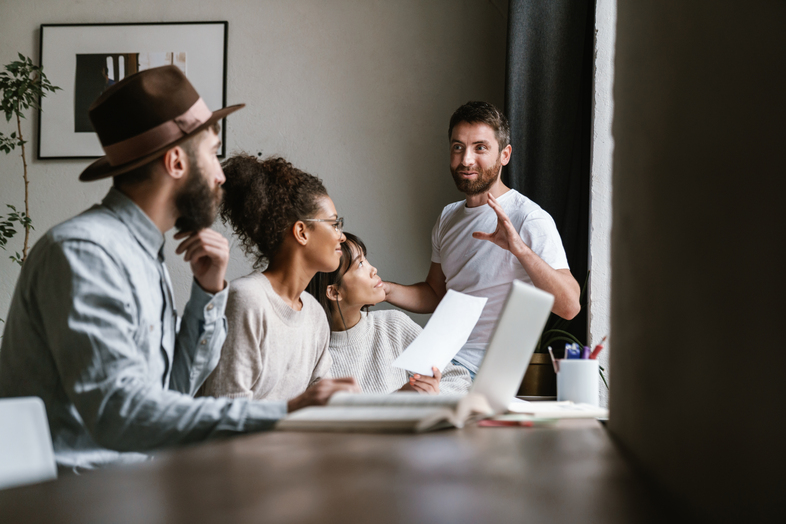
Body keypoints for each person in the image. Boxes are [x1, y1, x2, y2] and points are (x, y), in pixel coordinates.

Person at [0, 66, 355, 472]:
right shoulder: (87, 254)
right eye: (211, 153)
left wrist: (207, 295)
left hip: (131, 487)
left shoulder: (143, 257)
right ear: (175, 162)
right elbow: (119, 414)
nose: (221, 176)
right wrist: (283, 413)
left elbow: (174, 392)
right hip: (71, 500)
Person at [383, 101, 581, 379]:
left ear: (505, 155)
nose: (466, 160)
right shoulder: (448, 217)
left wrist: (519, 249)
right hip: (440, 359)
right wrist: (384, 290)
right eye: (457, 147)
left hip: (483, 373)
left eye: (480, 147)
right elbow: (436, 293)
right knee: (379, 332)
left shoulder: (528, 218)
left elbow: (570, 306)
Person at [198, 155, 356, 407]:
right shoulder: (247, 299)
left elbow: (321, 406)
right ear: (302, 232)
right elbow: (223, 412)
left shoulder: (315, 314)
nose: (342, 237)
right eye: (334, 224)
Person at [307, 233, 472, 395]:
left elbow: (460, 380)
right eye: (360, 265)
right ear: (334, 292)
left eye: (365, 259)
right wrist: (399, 400)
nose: (373, 269)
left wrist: (432, 394)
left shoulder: (394, 325)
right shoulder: (313, 355)